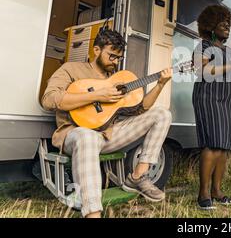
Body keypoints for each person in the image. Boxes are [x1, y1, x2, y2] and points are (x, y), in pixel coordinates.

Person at [41, 28, 173, 218]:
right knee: (87, 136)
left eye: (118, 58)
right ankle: (93, 213)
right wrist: (96, 95)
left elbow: (140, 109)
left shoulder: (117, 79)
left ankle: (136, 177)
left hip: (108, 136)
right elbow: (49, 99)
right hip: (76, 133)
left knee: (161, 114)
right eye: (112, 56)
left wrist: (160, 84)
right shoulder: (71, 69)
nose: (115, 62)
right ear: (96, 50)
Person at [192, 5, 231, 210]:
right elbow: (202, 70)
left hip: (227, 99)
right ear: (210, 25)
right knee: (212, 144)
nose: (227, 26)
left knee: (224, 146)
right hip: (208, 97)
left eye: (228, 22)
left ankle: (217, 191)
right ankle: (203, 194)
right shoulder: (203, 46)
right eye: (221, 22)